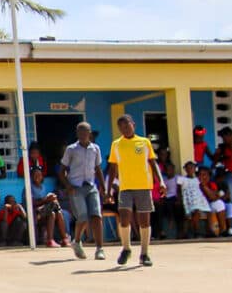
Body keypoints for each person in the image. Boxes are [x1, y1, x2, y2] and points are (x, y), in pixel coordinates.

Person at [107, 114, 165, 266]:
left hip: (143, 186)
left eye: (127, 125)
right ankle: (126, 248)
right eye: (121, 127)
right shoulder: (116, 144)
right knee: (124, 217)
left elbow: (153, 163)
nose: (124, 129)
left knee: (144, 221)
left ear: (133, 125)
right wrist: (108, 190)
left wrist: (161, 182)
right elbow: (113, 167)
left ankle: (144, 253)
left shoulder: (144, 142)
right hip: (125, 187)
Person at [59, 122, 107, 260]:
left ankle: (99, 248)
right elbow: (62, 171)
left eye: (85, 132)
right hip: (76, 187)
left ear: (89, 133)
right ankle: (77, 241)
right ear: (77, 134)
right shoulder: (71, 149)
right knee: (83, 216)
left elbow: (98, 169)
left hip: (91, 186)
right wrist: (68, 186)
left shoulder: (95, 149)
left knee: (97, 215)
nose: (83, 135)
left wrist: (104, 189)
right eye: (80, 132)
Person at [24, 166, 69, 248]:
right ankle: (51, 240)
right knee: (53, 205)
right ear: (32, 177)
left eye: (39, 175)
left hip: (45, 212)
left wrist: (49, 199)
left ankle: (63, 239)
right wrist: (46, 200)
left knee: (55, 213)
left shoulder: (43, 187)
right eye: (35, 175)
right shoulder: (28, 188)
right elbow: (31, 203)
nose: (38, 177)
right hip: (36, 214)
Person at [176, 162, 211, 237]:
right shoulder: (182, 179)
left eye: (192, 167)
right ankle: (196, 231)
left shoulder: (197, 179)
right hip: (188, 198)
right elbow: (178, 190)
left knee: (208, 210)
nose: (190, 169)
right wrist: (179, 199)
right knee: (196, 210)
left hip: (198, 197)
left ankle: (209, 231)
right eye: (188, 168)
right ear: (185, 169)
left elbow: (201, 188)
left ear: (195, 169)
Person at [156, 162, 185, 239]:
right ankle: (161, 231)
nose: (169, 171)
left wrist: (179, 199)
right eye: (167, 170)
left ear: (173, 170)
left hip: (175, 197)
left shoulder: (177, 177)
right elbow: (161, 191)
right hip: (166, 198)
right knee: (159, 207)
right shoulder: (164, 179)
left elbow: (179, 190)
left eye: (171, 169)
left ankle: (180, 230)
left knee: (178, 207)